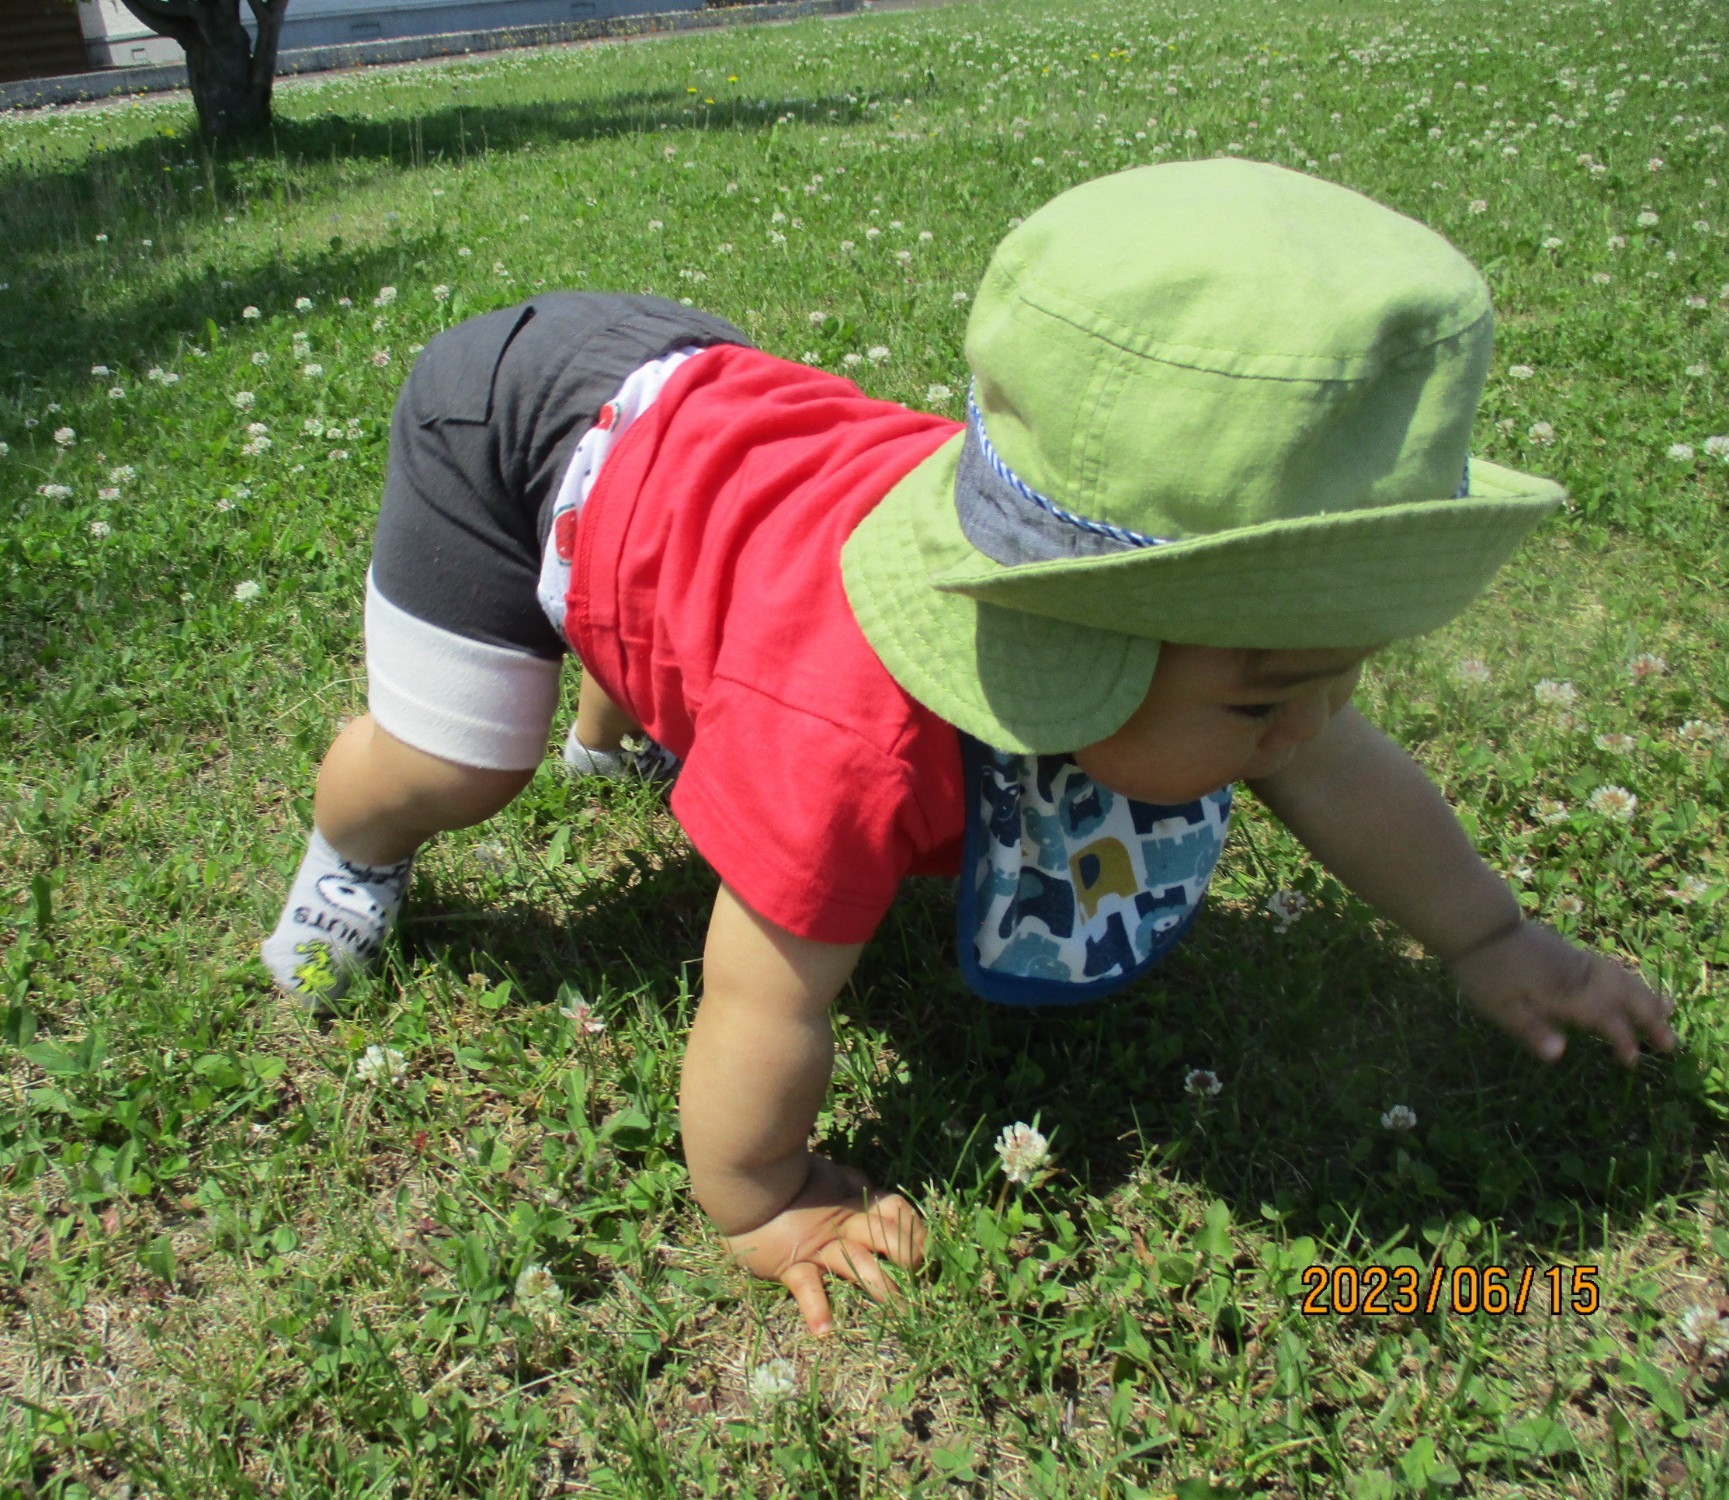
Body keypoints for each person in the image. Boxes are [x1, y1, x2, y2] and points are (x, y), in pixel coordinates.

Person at [262, 159, 1678, 1335]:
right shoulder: (847, 745)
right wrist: (764, 1194)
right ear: (1075, 654)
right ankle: (359, 838)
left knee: (695, 603)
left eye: (1329, 681)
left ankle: (625, 697)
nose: (1306, 732)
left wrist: (1493, 939)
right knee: (460, 767)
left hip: (686, 406)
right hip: (516, 435)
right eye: (1264, 709)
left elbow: (1336, 766)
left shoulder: (1240, 666)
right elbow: (763, 997)